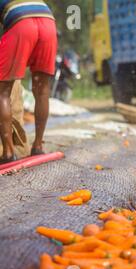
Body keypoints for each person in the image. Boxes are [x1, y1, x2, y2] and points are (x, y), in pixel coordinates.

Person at [0, 0, 57, 164]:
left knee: (3, 92)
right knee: (42, 90)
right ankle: (38, 146)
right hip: (48, 21)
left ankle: (8, 153)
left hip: (21, 22)